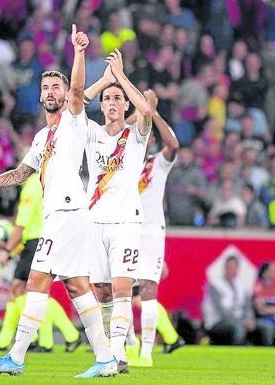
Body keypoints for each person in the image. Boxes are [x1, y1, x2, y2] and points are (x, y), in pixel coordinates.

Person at [0, 26, 117, 378]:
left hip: (67, 212)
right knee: (76, 286)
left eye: (57, 87)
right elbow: (23, 172)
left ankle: (16, 358)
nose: (51, 92)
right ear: (39, 97)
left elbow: (81, 91)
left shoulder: (74, 118)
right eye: (46, 88)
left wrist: (79, 52)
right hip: (64, 215)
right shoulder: (42, 136)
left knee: (37, 279)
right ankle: (106, 358)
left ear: (66, 94)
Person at [83, 48, 153, 373]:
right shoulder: (92, 133)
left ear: (125, 105)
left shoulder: (134, 137)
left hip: (126, 221)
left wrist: (122, 78)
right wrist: (104, 81)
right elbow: (76, 102)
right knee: (101, 290)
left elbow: (147, 111)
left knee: (123, 287)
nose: (112, 102)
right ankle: (118, 351)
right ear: (102, 105)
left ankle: (112, 357)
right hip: (94, 220)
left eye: (117, 98)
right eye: (107, 99)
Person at [0, 173, 81, 353]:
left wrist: (7, 250)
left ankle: (45, 340)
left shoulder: (32, 185)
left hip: (35, 243)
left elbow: (22, 224)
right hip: (46, 239)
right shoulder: (47, 181)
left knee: (23, 292)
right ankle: (56, 338)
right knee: (26, 292)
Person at [125, 89, 181, 367]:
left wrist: (153, 111)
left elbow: (173, 145)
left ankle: (146, 353)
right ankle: (130, 345)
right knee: (119, 289)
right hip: (124, 227)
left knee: (147, 289)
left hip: (150, 231)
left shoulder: (155, 163)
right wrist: (140, 110)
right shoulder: (121, 161)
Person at [202, 256, 270, 346]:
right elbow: (221, 311)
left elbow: (247, 306)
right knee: (238, 328)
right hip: (218, 322)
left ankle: (264, 357)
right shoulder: (215, 285)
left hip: (241, 320)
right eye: (229, 267)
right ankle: (235, 357)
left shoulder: (241, 286)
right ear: (225, 268)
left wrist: (250, 320)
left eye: (234, 267)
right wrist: (242, 322)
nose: (231, 270)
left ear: (237, 269)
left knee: (266, 327)